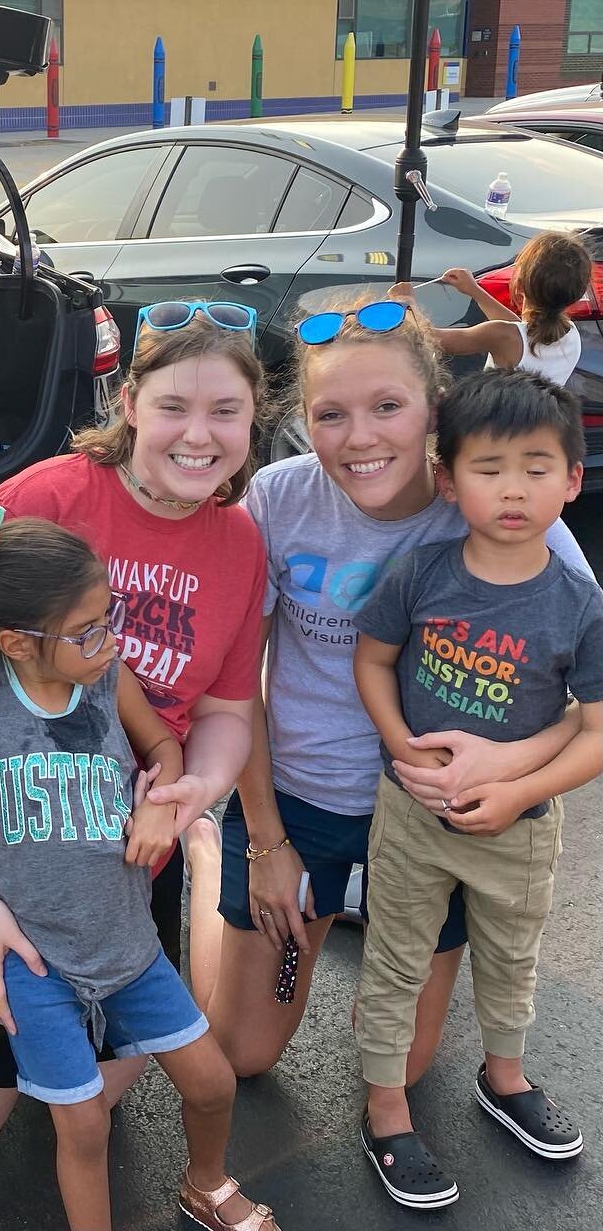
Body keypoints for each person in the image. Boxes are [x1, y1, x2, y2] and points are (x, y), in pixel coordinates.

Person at [0, 306, 268, 1153]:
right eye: (173, 407)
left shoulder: (240, 544)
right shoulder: (47, 498)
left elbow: (229, 713)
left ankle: (190, 868)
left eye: (225, 412)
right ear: (129, 402)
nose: (197, 436)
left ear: (253, 418)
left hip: (119, 868)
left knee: (100, 1097)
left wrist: (190, 791)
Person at [203, 295, 593, 1084]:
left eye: (388, 406)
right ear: (303, 420)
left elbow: (588, 701)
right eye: (331, 414)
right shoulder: (278, 498)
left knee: (404, 1066)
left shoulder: (506, 508)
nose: (362, 438)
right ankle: (216, 858)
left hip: (431, 816)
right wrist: (267, 841)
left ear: (434, 410)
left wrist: (509, 769)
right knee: (240, 1056)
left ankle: (355, 905)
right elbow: (234, 681)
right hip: (300, 801)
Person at [0, 503, 279, 1231]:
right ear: (17, 643)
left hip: (127, 943)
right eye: (88, 629)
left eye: (110, 616)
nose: (110, 638)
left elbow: (163, 746)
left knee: (213, 1084)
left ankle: (207, 1184)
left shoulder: (109, 677)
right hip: (34, 961)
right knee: (84, 1127)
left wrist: (163, 800)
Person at [352, 369, 603, 1209]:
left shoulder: (579, 603)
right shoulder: (422, 573)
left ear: (573, 479)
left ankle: (506, 1077)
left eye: (538, 467)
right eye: (489, 468)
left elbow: (598, 732)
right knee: (393, 960)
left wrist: (515, 792)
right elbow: (373, 660)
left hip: (520, 827)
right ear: (449, 479)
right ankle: (385, 1107)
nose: (513, 489)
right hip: (413, 815)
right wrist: (398, 747)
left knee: (511, 959)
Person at [395, 231, 592, 385]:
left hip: (495, 430)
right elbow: (518, 330)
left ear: (520, 285)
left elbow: (434, 338)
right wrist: (475, 290)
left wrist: (406, 304)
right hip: (538, 428)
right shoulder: (570, 333)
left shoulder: (500, 335)